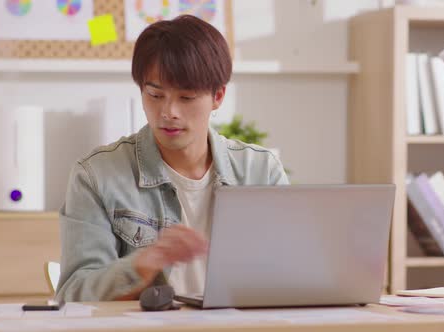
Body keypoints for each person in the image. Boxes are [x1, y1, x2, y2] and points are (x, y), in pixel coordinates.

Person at [56, 15, 288, 302]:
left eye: (186, 98)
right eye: (155, 95)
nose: (169, 112)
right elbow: (73, 293)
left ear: (218, 96)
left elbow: (291, 273)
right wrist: (142, 263)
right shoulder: (96, 175)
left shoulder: (260, 172)